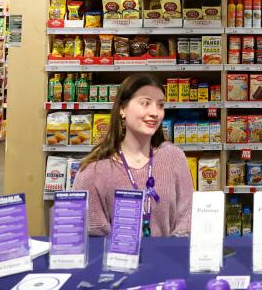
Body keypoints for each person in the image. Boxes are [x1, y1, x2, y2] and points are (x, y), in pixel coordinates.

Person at [73, 74, 192, 237]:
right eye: (145, 103)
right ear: (123, 108)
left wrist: (168, 250)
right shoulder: (93, 171)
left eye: (160, 105)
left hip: (169, 258)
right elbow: (91, 234)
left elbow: (188, 215)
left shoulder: (174, 157)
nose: (155, 113)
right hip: (117, 260)